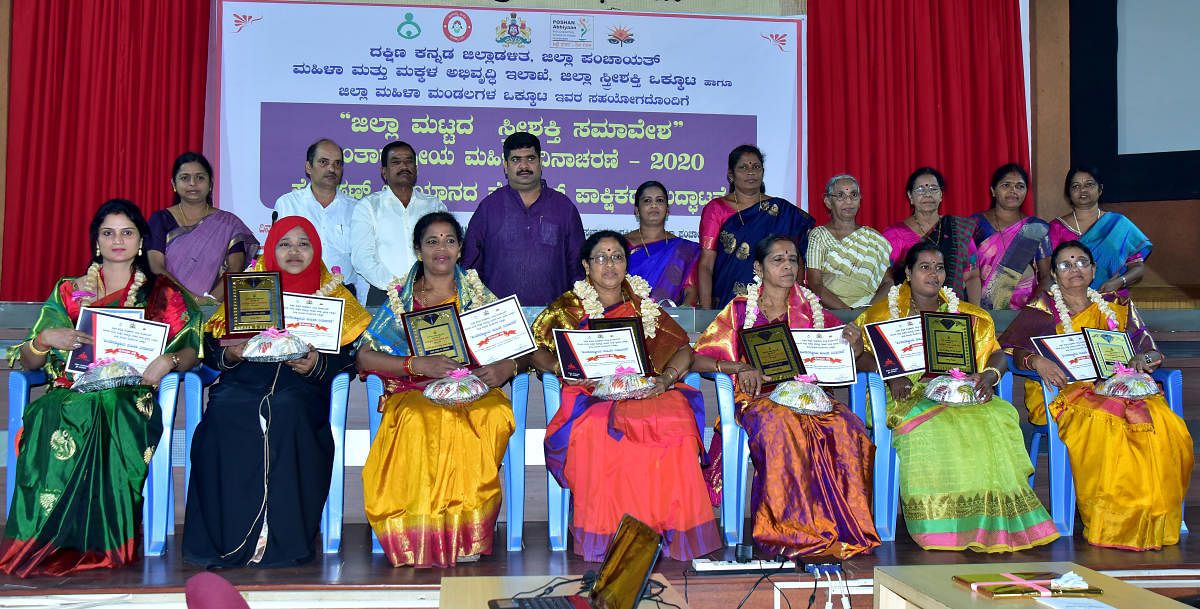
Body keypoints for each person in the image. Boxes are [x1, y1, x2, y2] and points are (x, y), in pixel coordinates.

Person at [0, 199, 202, 577]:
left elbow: (193, 349)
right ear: (97, 242)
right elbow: (30, 362)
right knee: (51, 410)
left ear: (141, 241)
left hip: (130, 395)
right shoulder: (68, 292)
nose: (118, 241)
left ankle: (105, 543)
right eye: (108, 233)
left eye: (127, 233)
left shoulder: (163, 294)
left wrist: (169, 361)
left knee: (108, 403)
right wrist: (44, 338)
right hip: (71, 391)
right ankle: (45, 541)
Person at [183, 216, 370, 568]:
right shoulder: (247, 289)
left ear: (316, 250)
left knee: (285, 411)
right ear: (272, 250)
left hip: (301, 389)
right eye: (285, 243)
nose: (294, 251)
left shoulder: (337, 296)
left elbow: (350, 358)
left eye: (304, 243)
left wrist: (316, 363)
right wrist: (232, 353)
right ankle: (227, 539)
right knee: (223, 414)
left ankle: (279, 540)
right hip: (243, 383)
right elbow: (211, 344)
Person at [530, 230, 721, 562]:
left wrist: (666, 379)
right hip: (590, 395)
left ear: (626, 265)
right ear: (586, 265)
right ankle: (612, 531)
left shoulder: (642, 306)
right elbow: (536, 353)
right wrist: (566, 369)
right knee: (599, 431)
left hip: (644, 389)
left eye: (617, 257)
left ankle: (663, 526)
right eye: (601, 257)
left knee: (676, 416)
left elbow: (682, 349)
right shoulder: (566, 308)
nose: (609, 264)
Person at [854, 244, 1059, 552]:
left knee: (996, 417)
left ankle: (991, 521)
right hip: (907, 393)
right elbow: (859, 356)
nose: (933, 274)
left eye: (939, 268)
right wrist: (891, 373)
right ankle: (946, 525)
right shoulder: (881, 313)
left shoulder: (969, 315)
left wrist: (989, 376)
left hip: (962, 390)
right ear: (908, 273)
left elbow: (998, 355)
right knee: (938, 428)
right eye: (924, 267)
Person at [691, 235, 880, 559]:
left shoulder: (812, 310)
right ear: (758, 267)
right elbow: (698, 359)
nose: (788, 266)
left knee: (849, 427)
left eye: (792, 259)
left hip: (811, 401)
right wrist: (735, 366)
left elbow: (860, 363)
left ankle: (846, 528)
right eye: (777, 259)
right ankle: (790, 532)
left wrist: (857, 346)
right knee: (781, 426)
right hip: (759, 400)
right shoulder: (739, 311)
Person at [1000, 240, 1192, 550]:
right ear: (1055, 274)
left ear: (1093, 271)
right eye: (1065, 264)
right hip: (1065, 393)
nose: (1074, 269)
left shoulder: (1115, 304)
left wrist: (1146, 358)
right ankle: (1115, 523)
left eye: (1081, 262)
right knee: (1110, 424)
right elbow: (1010, 349)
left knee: (1166, 426)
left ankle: (1154, 515)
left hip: (1122, 388)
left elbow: (1146, 346)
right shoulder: (1041, 308)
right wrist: (1036, 360)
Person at [356, 212, 522, 568]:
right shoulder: (403, 299)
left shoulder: (477, 294)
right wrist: (416, 365)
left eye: (449, 240)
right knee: (420, 417)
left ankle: (469, 534)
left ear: (460, 249)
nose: (441, 248)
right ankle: (422, 534)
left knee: (491, 414)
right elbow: (364, 356)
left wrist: (507, 367)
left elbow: (517, 348)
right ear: (418, 250)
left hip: (475, 389)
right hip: (417, 389)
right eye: (432, 241)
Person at [463, 131, 585, 306]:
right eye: (515, 160)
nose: (524, 166)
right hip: (500, 318)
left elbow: (578, 267)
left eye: (530, 158)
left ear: (541, 162)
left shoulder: (563, 207)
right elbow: (471, 269)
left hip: (554, 316)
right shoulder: (489, 208)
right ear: (505, 165)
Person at [698, 145, 814, 310]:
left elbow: (798, 261)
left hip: (776, 303)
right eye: (743, 167)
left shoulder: (780, 209)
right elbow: (706, 264)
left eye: (756, 167)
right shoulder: (716, 209)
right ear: (731, 175)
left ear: (762, 172)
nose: (750, 172)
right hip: (728, 300)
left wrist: (797, 304)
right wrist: (706, 311)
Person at [148, 152, 259, 304]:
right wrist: (194, 300)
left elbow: (235, 269)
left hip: (214, 310)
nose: (193, 183)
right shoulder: (160, 219)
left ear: (211, 183)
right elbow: (156, 267)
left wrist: (208, 303)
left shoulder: (229, 224)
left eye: (200, 177)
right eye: (184, 178)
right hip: (168, 307)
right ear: (174, 184)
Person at [351, 140, 447, 305]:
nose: (404, 166)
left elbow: (446, 250)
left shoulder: (434, 206)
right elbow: (362, 258)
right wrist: (398, 286)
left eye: (409, 161)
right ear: (384, 172)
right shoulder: (368, 207)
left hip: (431, 295)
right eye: (396, 162)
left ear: (416, 169)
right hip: (384, 296)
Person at [274, 138, 367, 302]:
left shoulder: (356, 209)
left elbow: (361, 264)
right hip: (297, 295)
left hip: (344, 297)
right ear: (308, 167)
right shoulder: (288, 204)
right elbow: (275, 257)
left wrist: (363, 306)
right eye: (324, 162)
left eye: (337, 164)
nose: (332, 168)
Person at [881, 167, 981, 305]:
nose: (928, 194)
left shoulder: (958, 229)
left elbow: (972, 275)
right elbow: (885, 279)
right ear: (910, 196)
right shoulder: (894, 234)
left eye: (933, 189)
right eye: (921, 190)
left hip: (951, 313)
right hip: (905, 313)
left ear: (941, 195)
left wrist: (975, 313)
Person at [1049, 165, 1152, 294]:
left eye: (1089, 185)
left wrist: (1119, 282)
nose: (1082, 190)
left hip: (1112, 299)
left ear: (1100, 189)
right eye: (1076, 186)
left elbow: (1137, 267)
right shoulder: (1055, 228)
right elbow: (1047, 272)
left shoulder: (1118, 224)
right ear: (1068, 193)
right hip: (1068, 304)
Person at [971, 164, 1052, 309]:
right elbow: (966, 272)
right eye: (1006, 185)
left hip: (1022, 313)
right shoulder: (976, 223)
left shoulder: (1037, 227)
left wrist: (1032, 308)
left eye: (1020, 186)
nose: (1013, 191)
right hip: (981, 310)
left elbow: (1047, 276)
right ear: (993, 191)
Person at [805, 174, 893, 309]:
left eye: (854, 195)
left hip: (869, 312)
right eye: (840, 195)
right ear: (828, 202)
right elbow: (814, 284)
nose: (848, 201)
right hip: (832, 314)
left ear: (859, 200)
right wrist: (848, 312)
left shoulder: (874, 238)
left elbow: (888, 282)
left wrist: (868, 311)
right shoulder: (819, 236)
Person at [624, 180, 700, 306]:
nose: (654, 205)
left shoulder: (684, 249)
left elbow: (691, 291)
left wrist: (680, 319)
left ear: (667, 209)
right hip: (627, 317)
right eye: (647, 200)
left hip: (669, 321)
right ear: (637, 210)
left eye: (659, 200)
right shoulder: (620, 245)